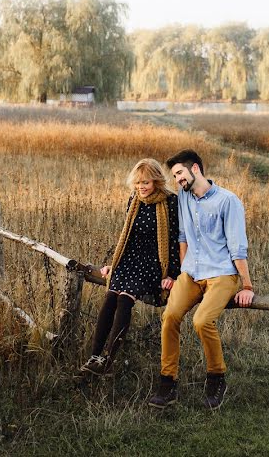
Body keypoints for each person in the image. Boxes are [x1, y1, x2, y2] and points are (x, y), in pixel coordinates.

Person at [148, 149, 254, 411]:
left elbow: (237, 248)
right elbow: (183, 236)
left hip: (221, 274)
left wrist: (247, 286)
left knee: (202, 320)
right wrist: (183, 269)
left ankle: (217, 378)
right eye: (174, 176)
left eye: (180, 173)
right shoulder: (184, 197)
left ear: (195, 168)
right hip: (192, 273)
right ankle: (168, 381)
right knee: (170, 316)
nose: (178, 180)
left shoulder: (228, 201)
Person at [79, 158, 180, 376]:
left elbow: (174, 241)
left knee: (124, 299)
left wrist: (173, 274)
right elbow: (126, 236)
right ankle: (94, 356)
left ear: (156, 181)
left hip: (153, 262)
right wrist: (112, 264)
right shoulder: (134, 200)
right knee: (110, 298)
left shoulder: (171, 202)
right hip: (128, 259)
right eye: (137, 182)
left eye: (146, 182)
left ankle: (108, 360)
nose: (141, 187)